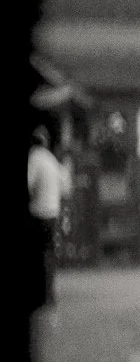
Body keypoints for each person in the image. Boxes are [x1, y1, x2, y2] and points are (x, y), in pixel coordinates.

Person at [29, 125, 67, 311]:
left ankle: (41, 294)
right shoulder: (52, 160)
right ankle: (50, 293)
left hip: (39, 212)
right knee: (49, 253)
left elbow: (29, 183)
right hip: (53, 211)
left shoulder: (35, 158)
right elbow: (65, 184)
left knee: (40, 253)